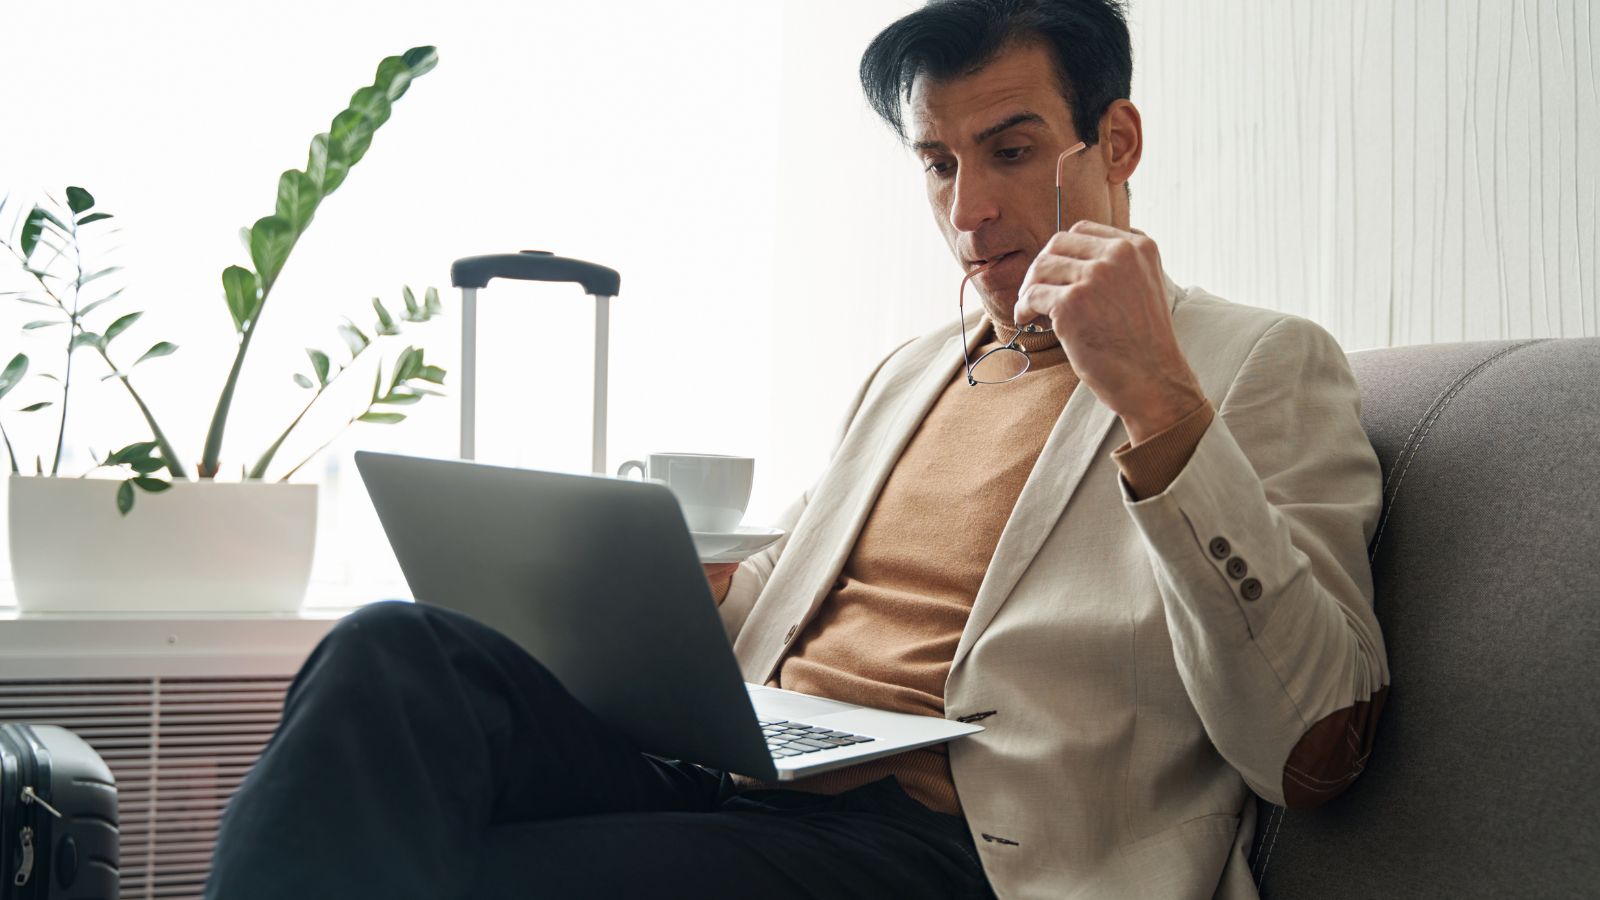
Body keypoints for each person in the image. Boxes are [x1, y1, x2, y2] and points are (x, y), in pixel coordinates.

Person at [205, 1, 1389, 897]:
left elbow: (1313, 745)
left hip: (950, 846)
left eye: (1012, 150)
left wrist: (1159, 408)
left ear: (1114, 142)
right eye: (937, 162)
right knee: (396, 654)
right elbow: (786, 599)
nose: (968, 210)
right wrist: (643, 605)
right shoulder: (910, 370)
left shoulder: (1255, 365)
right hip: (745, 768)